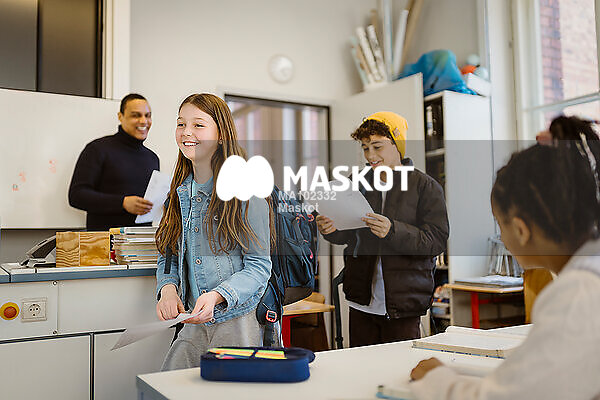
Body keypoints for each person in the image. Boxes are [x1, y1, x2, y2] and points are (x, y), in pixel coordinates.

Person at [410, 134, 600, 399]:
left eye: (501, 225)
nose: (502, 238)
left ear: (521, 229)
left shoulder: (576, 293)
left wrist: (436, 379)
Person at [154, 93, 273, 371]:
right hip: (193, 320)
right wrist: (168, 289)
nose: (186, 132)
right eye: (181, 124)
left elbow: (259, 266)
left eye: (198, 125)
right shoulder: (179, 193)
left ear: (221, 135)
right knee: (168, 385)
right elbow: (169, 253)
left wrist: (218, 295)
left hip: (237, 320)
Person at [317, 111, 449, 346]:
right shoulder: (356, 181)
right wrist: (331, 229)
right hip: (361, 301)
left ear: (398, 145)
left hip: (404, 304)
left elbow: (436, 241)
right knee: (362, 365)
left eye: (377, 147)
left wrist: (392, 231)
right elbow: (349, 234)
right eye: (365, 148)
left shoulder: (425, 187)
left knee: (399, 365)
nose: (370, 155)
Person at [68, 93, 159, 231]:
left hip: (142, 241)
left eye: (147, 115)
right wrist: (122, 203)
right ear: (120, 116)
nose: (143, 121)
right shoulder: (97, 149)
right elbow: (77, 196)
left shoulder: (152, 158)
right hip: (104, 241)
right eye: (136, 115)